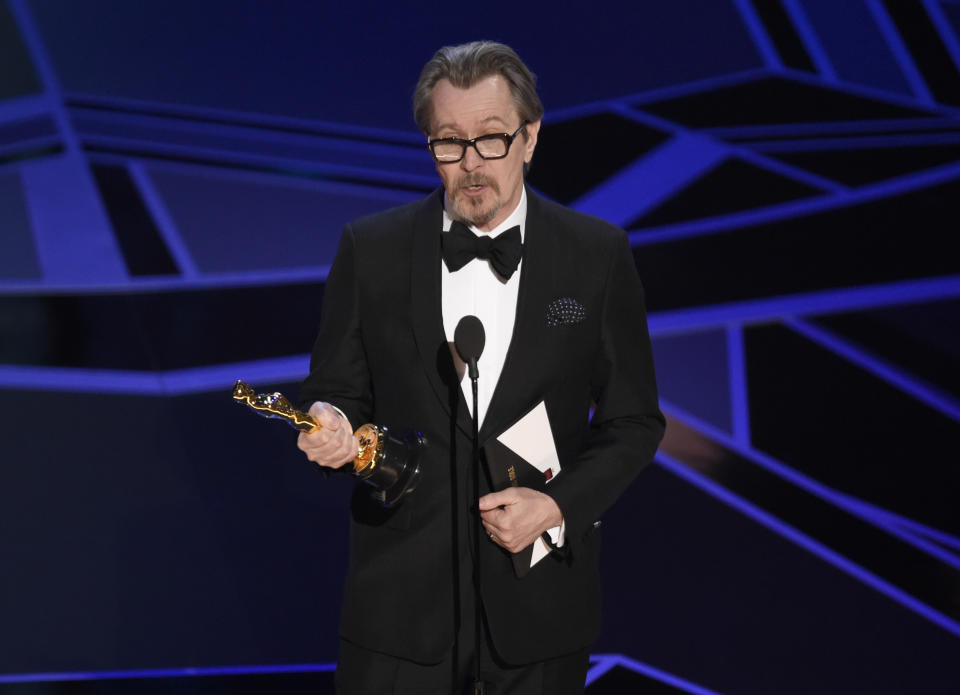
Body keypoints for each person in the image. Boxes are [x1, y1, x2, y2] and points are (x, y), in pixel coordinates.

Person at [298, 40, 664, 694]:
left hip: (540, 610)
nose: (471, 164)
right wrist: (330, 422)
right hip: (398, 611)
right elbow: (336, 388)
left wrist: (555, 505)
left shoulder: (596, 255)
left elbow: (633, 421)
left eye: (492, 139)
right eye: (449, 142)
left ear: (530, 137)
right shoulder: (371, 249)